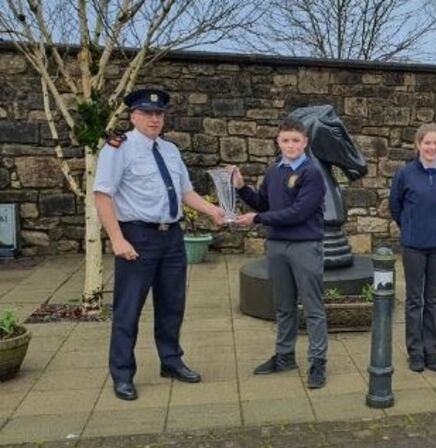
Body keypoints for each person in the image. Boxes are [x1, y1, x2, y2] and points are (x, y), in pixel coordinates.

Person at [94, 88, 225, 401]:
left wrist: (213, 211)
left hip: (171, 238)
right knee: (128, 309)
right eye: (147, 113)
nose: (154, 118)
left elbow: (185, 193)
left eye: (159, 113)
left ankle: (171, 361)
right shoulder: (117, 148)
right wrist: (116, 238)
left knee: (171, 305)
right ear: (133, 115)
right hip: (138, 236)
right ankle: (123, 374)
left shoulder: (169, 150)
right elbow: (102, 195)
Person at [231, 118, 328, 389]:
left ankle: (318, 362)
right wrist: (241, 187)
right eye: (285, 140)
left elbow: (299, 212)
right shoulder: (273, 171)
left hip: (305, 246)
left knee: (313, 308)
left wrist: (258, 218)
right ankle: (285, 356)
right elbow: (263, 203)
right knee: (283, 306)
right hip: (276, 246)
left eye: (296, 140)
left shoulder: (312, 173)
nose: (290, 145)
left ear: (305, 142)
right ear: (278, 141)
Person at [389, 123, 436, 373]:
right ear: (418, 145)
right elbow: (395, 207)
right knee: (414, 300)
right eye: (427, 143)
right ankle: (415, 352)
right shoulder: (405, 174)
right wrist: (410, 227)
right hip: (414, 246)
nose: (432, 147)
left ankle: (431, 350)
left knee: (432, 300)